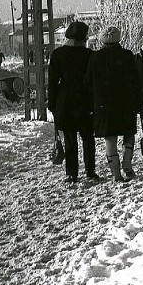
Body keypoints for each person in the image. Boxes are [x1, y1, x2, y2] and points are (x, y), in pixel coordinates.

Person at [85, 26, 143, 182]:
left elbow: (88, 84)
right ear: (118, 39)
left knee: (110, 138)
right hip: (126, 104)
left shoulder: (95, 58)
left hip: (105, 107)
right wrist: (140, 103)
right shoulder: (127, 56)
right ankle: (127, 164)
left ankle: (116, 174)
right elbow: (136, 81)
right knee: (128, 134)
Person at [48, 21, 97, 184]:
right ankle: (90, 171)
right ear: (84, 37)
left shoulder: (57, 54)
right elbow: (94, 82)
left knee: (70, 139)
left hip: (65, 101)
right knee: (88, 138)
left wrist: (52, 104)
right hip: (85, 101)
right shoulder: (90, 55)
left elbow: (53, 83)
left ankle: (71, 173)